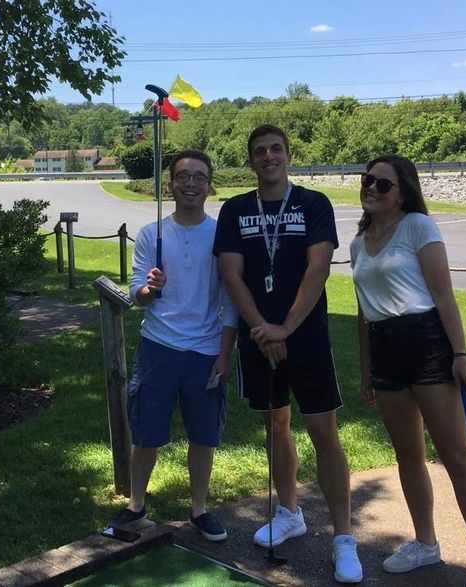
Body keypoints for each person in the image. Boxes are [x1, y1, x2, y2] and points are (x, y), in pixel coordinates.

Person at [214, 124, 363, 583]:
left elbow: (318, 269)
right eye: (259, 151)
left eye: (276, 149)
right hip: (261, 337)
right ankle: (290, 511)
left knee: (323, 431)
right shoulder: (236, 209)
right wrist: (263, 328)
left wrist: (285, 327)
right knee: (275, 425)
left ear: (288, 155)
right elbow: (231, 275)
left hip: (307, 336)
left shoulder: (314, 203)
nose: (268, 156)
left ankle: (343, 538)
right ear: (251, 160)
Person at [350, 154, 466, 586]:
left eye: (383, 184)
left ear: (402, 194)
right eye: (368, 181)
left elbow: (444, 295)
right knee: (408, 455)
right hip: (385, 349)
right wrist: (366, 370)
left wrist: (461, 354)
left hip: (428, 344)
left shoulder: (418, 227)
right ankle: (426, 543)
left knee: (456, 456)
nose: (371, 189)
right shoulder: (359, 243)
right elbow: (363, 314)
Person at [107, 149, 238, 542]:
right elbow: (136, 294)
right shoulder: (152, 234)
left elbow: (231, 299)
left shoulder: (221, 235)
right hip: (158, 347)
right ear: (171, 184)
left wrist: (225, 353)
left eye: (199, 176)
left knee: (203, 435)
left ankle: (199, 509)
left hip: (205, 349)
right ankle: (136, 506)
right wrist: (151, 287)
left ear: (209, 184)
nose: (191, 183)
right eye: (183, 176)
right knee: (146, 431)